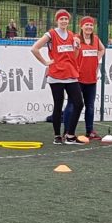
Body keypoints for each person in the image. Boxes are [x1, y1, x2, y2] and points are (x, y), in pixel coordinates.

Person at [30, 9, 84, 145]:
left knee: (79, 103)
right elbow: (34, 48)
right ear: (57, 21)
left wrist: (77, 48)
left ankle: (70, 134)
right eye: (61, 19)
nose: (64, 21)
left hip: (71, 74)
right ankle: (57, 135)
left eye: (66, 19)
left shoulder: (72, 36)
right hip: (56, 75)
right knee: (58, 105)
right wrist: (45, 62)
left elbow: (74, 57)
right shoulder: (51, 34)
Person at [63, 16, 106, 139]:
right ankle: (67, 131)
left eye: (91, 25)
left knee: (90, 106)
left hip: (91, 79)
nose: (89, 27)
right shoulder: (76, 39)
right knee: (72, 105)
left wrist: (96, 59)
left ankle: (90, 131)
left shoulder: (96, 39)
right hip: (77, 79)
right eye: (86, 25)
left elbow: (102, 49)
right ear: (81, 26)